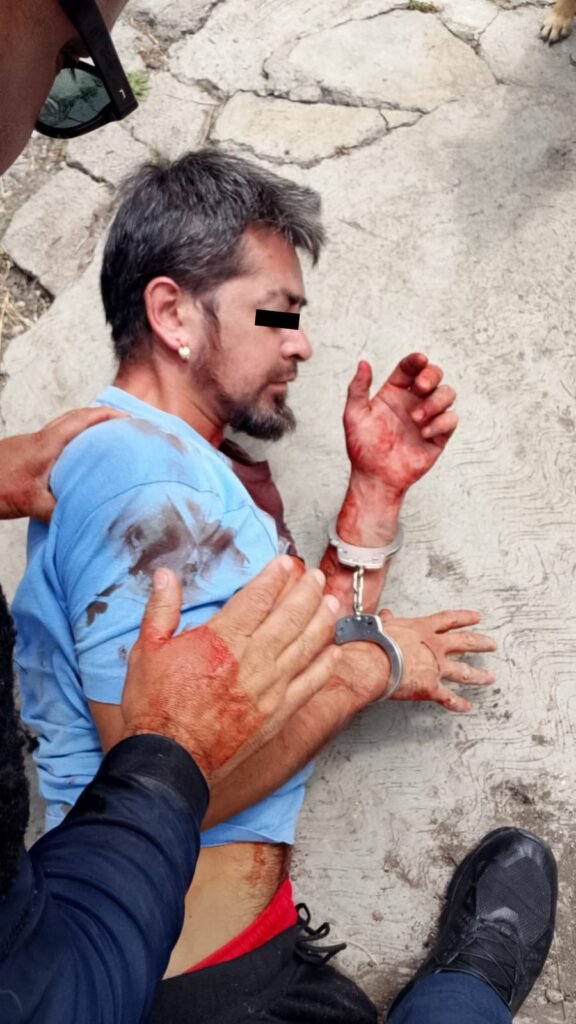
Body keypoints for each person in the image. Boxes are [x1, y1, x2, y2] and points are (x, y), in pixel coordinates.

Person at [11, 147, 497, 1015]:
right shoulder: (138, 475)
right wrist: (372, 667)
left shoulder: (177, 470)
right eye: (277, 312)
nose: (301, 343)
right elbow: (156, 788)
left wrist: (373, 497)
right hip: (190, 992)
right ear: (173, 313)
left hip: (231, 960)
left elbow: (276, 662)